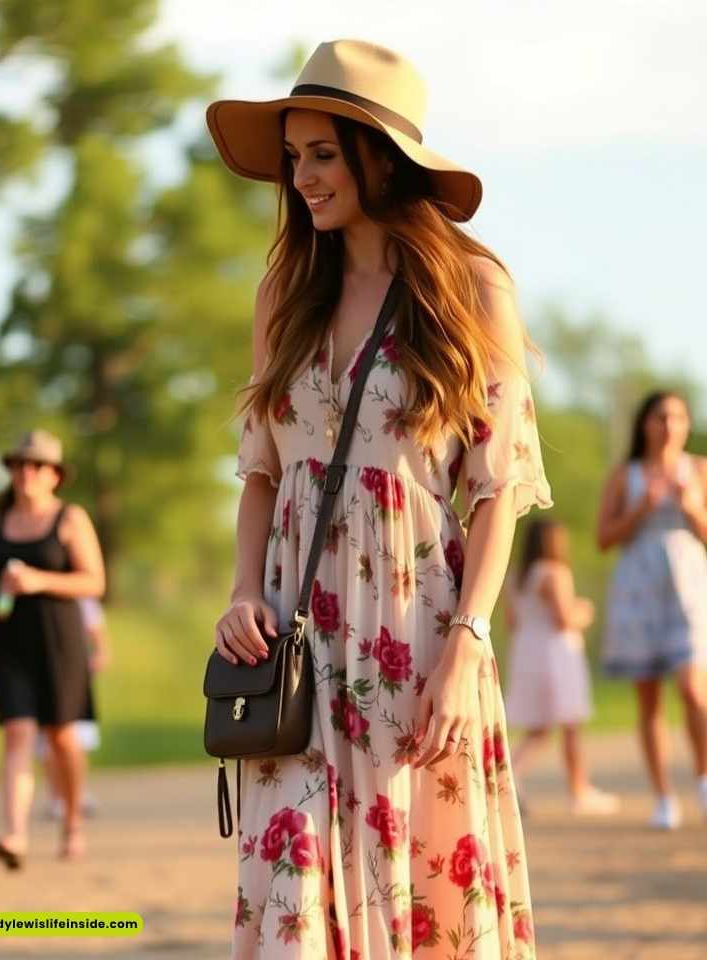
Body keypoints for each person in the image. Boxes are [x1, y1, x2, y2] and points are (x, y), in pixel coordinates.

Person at [206, 39, 553, 958]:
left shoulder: (473, 289)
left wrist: (469, 643)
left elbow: (498, 489)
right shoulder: (286, 289)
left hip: (418, 637)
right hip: (295, 643)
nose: (303, 176)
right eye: (294, 156)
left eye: (323, 153)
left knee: (424, 895)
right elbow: (260, 472)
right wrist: (244, 593)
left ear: (380, 159)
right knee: (297, 911)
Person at [0, 429, 105, 867]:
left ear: (54, 475)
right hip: (9, 643)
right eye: (19, 465)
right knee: (17, 732)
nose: (26, 472)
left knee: (62, 737)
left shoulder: (71, 519)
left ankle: (72, 823)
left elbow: (94, 582)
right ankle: (15, 833)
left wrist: (39, 580)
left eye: (37, 465)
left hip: (60, 641)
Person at [597, 390, 707, 829]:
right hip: (639, 589)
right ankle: (663, 796)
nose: (670, 425)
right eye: (662, 416)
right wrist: (641, 509)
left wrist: (692, 507)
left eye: (678, 417)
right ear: (646, 423)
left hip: (688, 586)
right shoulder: (627, 475)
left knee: (693, 689)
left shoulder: (699, 469)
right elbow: (604, 537)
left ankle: (702, 780)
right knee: (649, 699)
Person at [503, 520, 619, 816]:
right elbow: (564, 619)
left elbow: (511, 621)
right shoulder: (555, 573)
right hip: (556, 655)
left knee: (539, 728)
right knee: (570, 724)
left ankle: (510, 774)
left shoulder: (516, 576)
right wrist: (586, 612)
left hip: (526, 652)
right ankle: (579, 790)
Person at [39, 596, 111, 818]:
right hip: (44, 674)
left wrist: (96, 657)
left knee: (77, 740)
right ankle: (55, 796)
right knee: (50, 742)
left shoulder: (84, 602)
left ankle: (78, 792)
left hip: (73, 675)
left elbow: (99, 640)